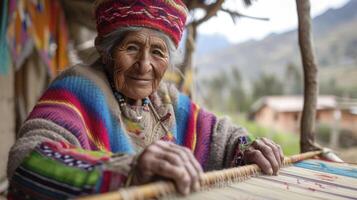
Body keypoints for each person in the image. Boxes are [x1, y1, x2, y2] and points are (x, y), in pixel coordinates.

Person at [7, 0, 284, 199]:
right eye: (132, 47)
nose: (144, 65)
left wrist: (247, 148)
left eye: (158, 53)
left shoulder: (165, 99)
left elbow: (221, 136)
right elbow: (28, 160)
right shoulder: (80, 86)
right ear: (106, 52)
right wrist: (127, 170)